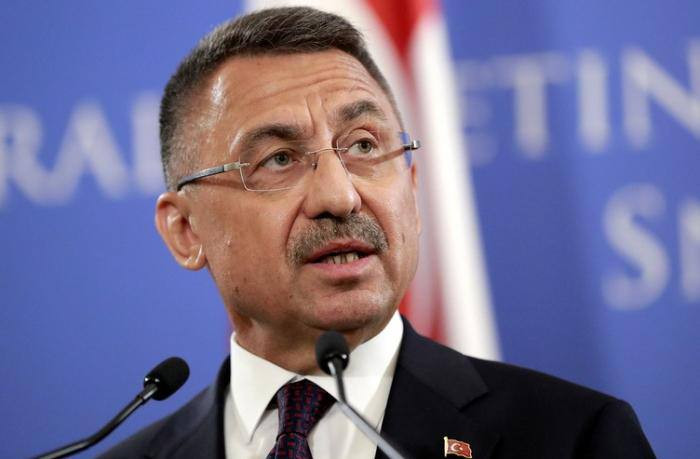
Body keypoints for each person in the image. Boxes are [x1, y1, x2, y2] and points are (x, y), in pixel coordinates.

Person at [101, 6, 654, 459]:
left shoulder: (572, 438)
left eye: (364, 145)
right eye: (279, 159)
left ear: (411, 189)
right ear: (185, 231)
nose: (339, 197)